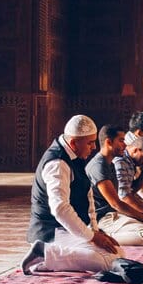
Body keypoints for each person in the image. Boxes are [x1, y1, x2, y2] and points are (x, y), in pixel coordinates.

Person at [22, 115, 125, 275]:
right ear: (73, 143)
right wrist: (91, 236)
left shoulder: (75, 156)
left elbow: (88, 197)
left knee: (118, 253)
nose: (94, 147)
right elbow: (60, 209)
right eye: (90, 142)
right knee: (109, 261)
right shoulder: (57, 163)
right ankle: (44, 253)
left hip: (67, 230)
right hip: (51, 231)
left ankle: (48, 256)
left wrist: (95, 231)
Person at [85, 125, 143, 246]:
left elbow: (131, 191)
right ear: (109, 142)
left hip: (115, 215)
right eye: (121, 140)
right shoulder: (98, 166)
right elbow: (116, 203)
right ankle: (99, 236)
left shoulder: (110, 164)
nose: (125, 145)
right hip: (102, 218)